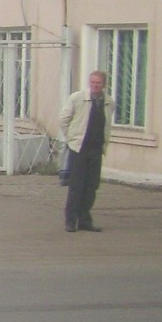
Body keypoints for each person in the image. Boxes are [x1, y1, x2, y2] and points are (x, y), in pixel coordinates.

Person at [57, 70, 114, 232]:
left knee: (91, 186)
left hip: (96, 148)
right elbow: (63, 119)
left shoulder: (108, 102)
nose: (95, 86)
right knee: (76, 186)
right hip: (79, 148)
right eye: (93, 82)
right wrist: (71, 138)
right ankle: (71, 220)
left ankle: (85, 220)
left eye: (99, 83)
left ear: (104, 85)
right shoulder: (77, 98)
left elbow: (107, 123)